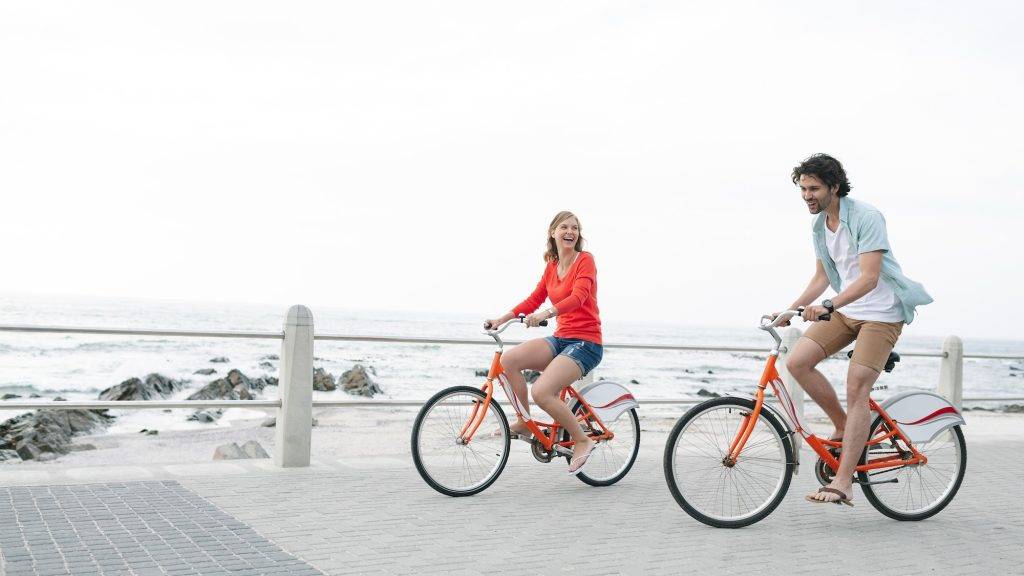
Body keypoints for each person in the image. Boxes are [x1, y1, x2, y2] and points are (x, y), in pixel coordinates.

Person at [776, 154, 932, 506]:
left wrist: (830, 305)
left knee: (856, 386)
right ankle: (845, 427)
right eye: (802, 189)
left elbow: (869, 277)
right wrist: (790, 308)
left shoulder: (866, 217)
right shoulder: (819, 227)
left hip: (881, 313)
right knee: (798, 362)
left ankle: (844, 482)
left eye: (813, 188)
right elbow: (821, 278)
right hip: (848, 309)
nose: (806, 195)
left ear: (834, 186)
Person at [484, 210, 603, 475]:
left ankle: (582, 441)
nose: (570, 231)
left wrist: (547, 314)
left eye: (575, 228)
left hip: (586, 343)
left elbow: (579, 297)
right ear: (553, 233)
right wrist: (501, 319)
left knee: (541, 392)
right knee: (509, 360)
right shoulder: (551, 266)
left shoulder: (585, 261)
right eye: (564, 227)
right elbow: (533, 299)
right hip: (561, 339)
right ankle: (524, 421)